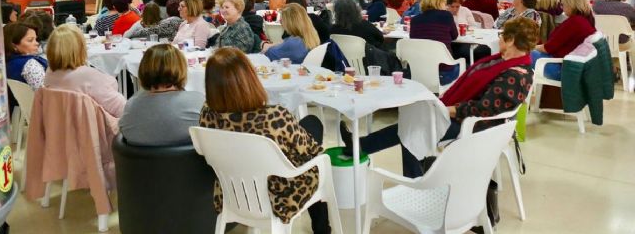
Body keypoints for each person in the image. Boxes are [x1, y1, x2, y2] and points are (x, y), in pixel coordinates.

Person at [339, 17, 538, 178]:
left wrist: (449, 109)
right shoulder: (506, 63)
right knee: (413, 121)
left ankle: (413, 180)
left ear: (511, 40)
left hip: (478, 125)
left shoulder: (513, 74)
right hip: (471, 117)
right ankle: (362, 147)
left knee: (414, 128)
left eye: (503, 35)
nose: (500, 38)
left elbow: (486, 108)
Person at [199, 47, 331, 233]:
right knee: (312, 138)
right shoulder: (274, 116)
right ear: (249, 78)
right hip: (280, 196)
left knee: (305, 134)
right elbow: (311, 150)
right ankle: (322, 228)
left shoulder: (207, 115)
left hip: (232, 193)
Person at [120, 44, 204, 146]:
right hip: (191, 161)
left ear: (142, 70)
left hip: (138, 161)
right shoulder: (197, 101)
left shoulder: (131, 107)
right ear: (181, 69)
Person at [44, 25, 125, 117]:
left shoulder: (49, 73)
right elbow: (120, 108)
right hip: (91, 128)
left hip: (59, 127)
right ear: (80, 48)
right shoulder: (87, 75)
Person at [531, 0, 596, 80]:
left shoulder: (574, 22)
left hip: (564, 70)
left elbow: (547, 48)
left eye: (563, 4)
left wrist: (529, 47)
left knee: (522, 52)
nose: (562, 7)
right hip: (576, 68)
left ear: (571, 4)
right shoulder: (586, 19)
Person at [410, 0, 459, 85]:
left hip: (419, 73)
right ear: (440, 3)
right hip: (443, 73)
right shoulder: (446, 16)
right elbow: (455, 36)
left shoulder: (415, 20)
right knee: (465, 64)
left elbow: (413, 40)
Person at [4, 23, 47, 91]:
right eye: (30, 40)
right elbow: (45, 93)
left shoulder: (4, 64)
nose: (37, 43)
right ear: (14, 46)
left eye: (36, 39)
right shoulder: (30, 65)